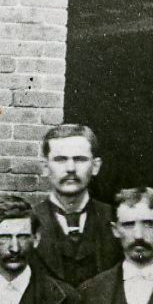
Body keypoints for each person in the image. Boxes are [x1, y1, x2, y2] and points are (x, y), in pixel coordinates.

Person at [31, 122, 121, 288]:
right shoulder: (28, 222)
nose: (70, 168)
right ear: (45, 167)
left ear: (95, 166)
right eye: (60, 160)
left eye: (80, 159)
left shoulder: (116, 219)